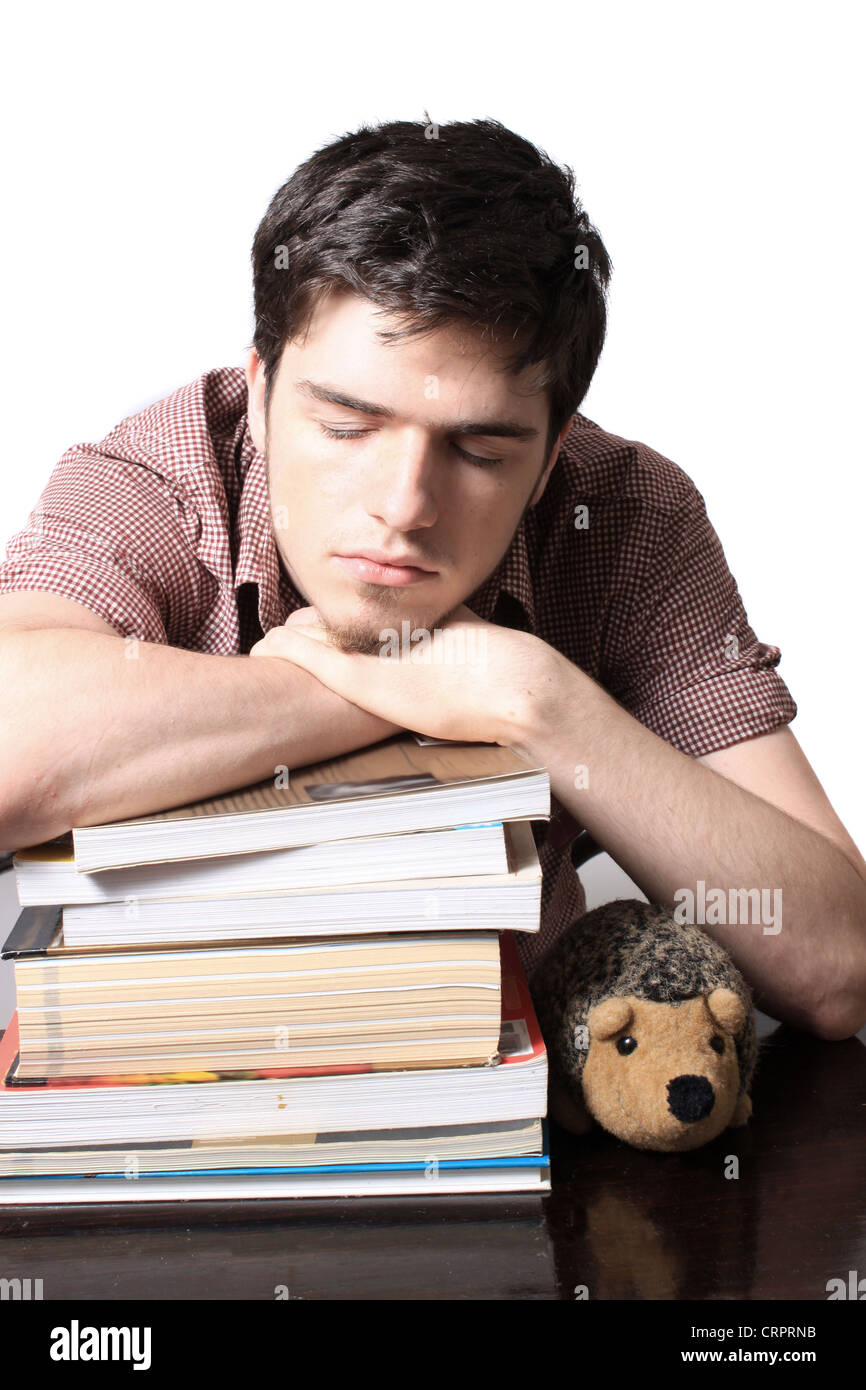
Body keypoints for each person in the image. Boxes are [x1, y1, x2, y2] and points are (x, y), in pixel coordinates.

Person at [0, 117, 863, 1038]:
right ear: (256, 393)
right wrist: (398, 681)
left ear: (550, 452)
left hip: (518, 1117)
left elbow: (835, 965)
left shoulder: (624, 513)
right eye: (345, 426)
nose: (405, 505)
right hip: (174, 1099)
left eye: (481, 448)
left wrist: (529, 696)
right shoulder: (161, 475)